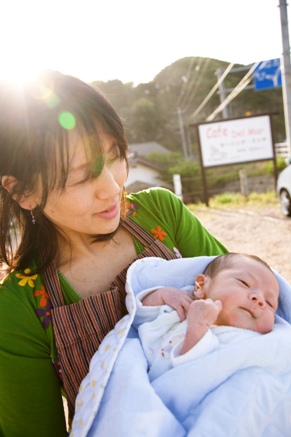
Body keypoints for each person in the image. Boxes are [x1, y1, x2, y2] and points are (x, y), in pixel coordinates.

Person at [0, 70, 227, 437]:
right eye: (80, 176)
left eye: (116, 156)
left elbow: (250, 294)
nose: (112, 187)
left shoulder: (161, 213)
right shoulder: (19, 305)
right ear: (23, 190)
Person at [133, 253, 279, 381]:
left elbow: (198, 374)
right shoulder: (184, 306)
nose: (259, 299)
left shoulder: (250, 342)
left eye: (269, 303)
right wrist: (163, 294)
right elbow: (140, 318)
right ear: (201, 286)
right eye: (244, 283)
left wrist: (198, 328)